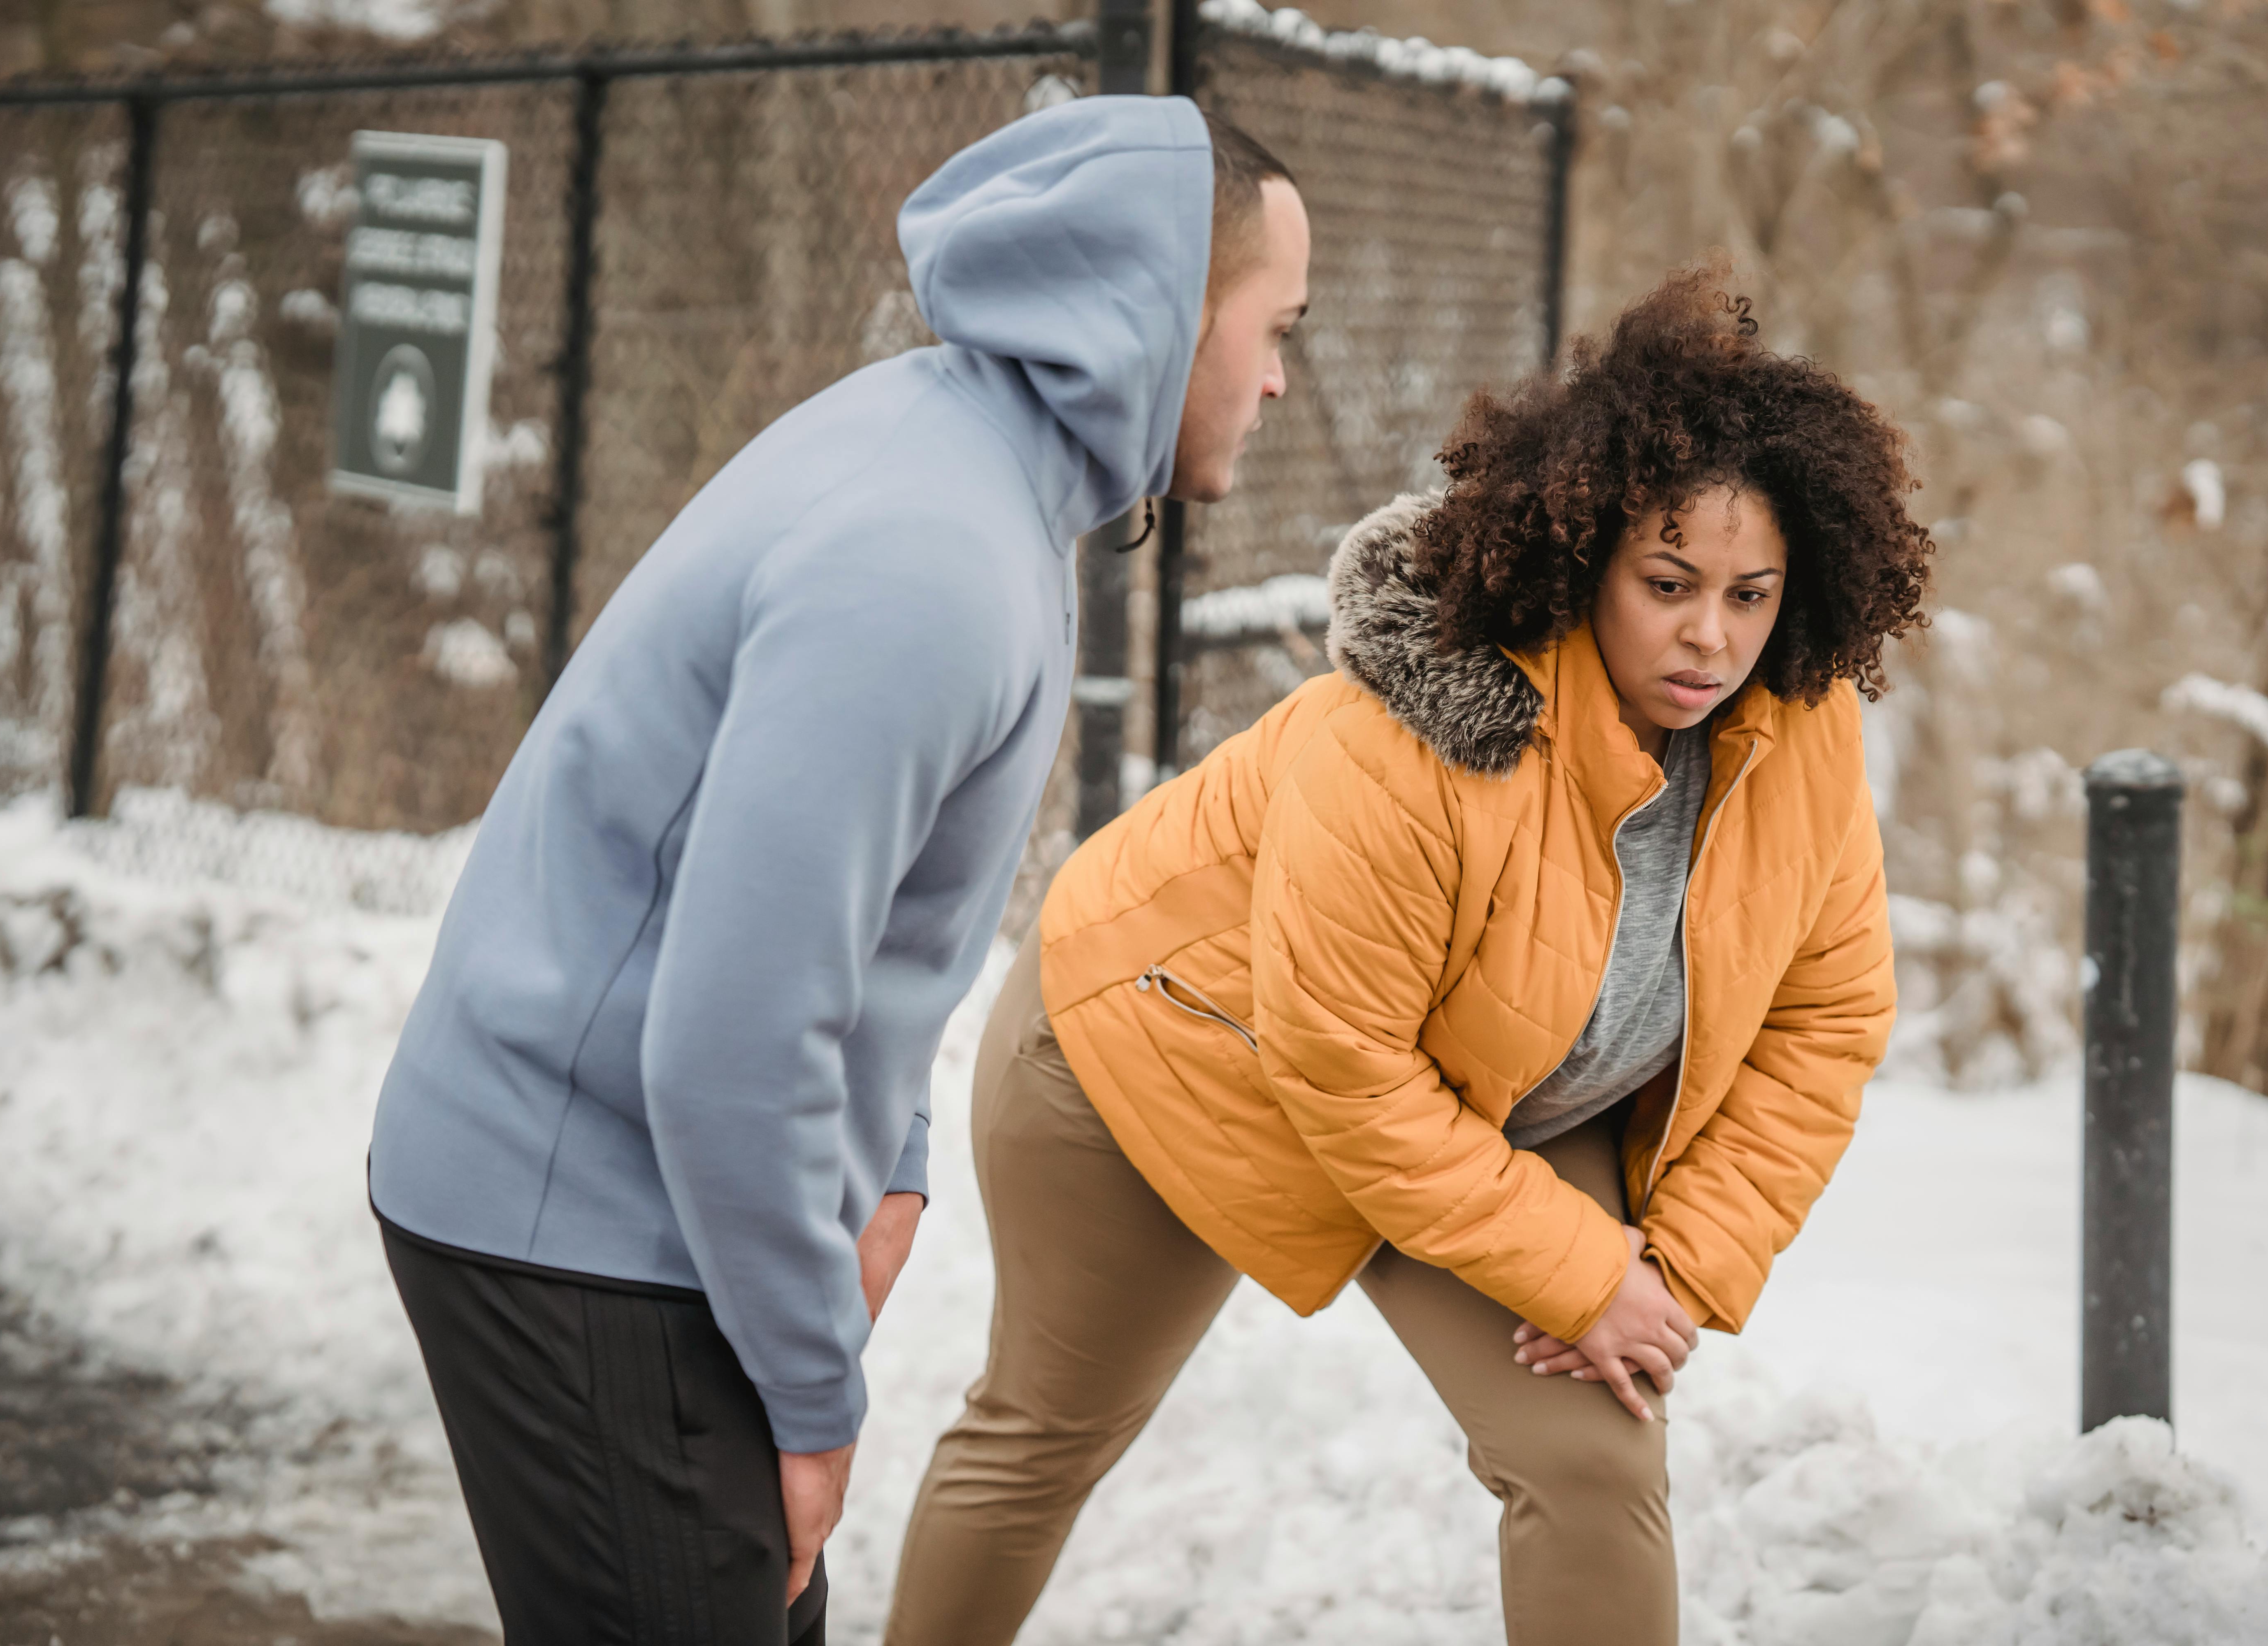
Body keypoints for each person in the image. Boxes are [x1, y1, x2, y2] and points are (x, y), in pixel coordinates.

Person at [366, 97, 1309, 1644]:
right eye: (1273, 325)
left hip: (646, 1209)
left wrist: (894, 1154)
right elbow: (731, 1036)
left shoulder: (967, 463)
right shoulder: (930, 559)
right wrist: (814, 1401)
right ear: (1159, 312)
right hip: (584, 1222)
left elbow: (863, 923)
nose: (1278, 375)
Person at [884, 267, 1934, 1646]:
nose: (1711, 636)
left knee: (1591, 1460)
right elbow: (1343, 1066)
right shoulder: (1420, 735)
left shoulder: (1802, 729)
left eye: (1752, 594)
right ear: (1585, 559)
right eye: (1668, 583)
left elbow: (1826, 1019)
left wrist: (1670, 1266)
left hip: (1483, 1094)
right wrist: (1577, 1266)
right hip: (1160, 1048)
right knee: (1045, 1435)